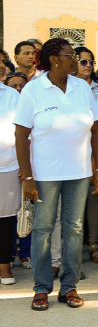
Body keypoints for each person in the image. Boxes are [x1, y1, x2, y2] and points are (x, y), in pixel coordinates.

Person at [14, 38, 98, 310]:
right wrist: (27, 176)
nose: (76, 62)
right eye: (71, 56)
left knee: (74, 228)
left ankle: (69, 286)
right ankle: (41, 288)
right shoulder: (33, 90)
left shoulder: (82, 88)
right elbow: (21, 135)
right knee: (43, 228)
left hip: (79, 172)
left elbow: (96, 131)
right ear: (55, 59)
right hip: (44, 174)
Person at [74, 47, 98, 263]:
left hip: (95, 150)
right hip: (73, 153)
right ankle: (75, 247)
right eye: (83, 62)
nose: (88, 66)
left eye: (91, 62)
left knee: (95, 197)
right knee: (75, 202)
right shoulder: (69, 88)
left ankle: (95, 242)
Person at [0, 82, 20, 285]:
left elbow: (23, 130)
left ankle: (4, 265)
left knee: (5, 219)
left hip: (6, 164)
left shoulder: (12, 95)